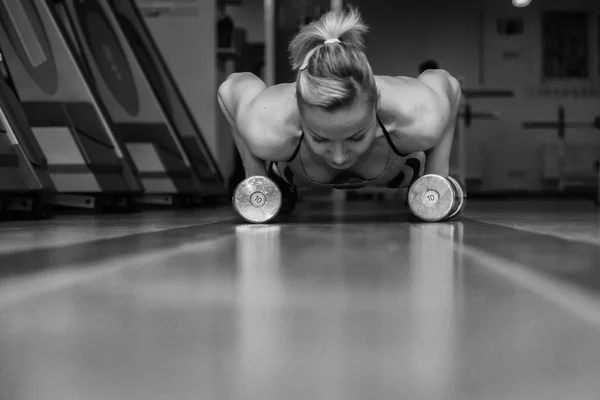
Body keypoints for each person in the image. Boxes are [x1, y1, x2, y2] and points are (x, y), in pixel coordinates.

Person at [218, 7, 461, 199]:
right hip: (289, 170)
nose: (339, 157)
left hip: (403, 163)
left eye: (356, 137)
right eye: (320, 138)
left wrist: (437, 176)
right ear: (300, 113)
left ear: (376, 104)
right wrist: (255, 176)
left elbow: (446, 83)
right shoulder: (269, 128)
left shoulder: (417, 117)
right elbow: (231, 88)